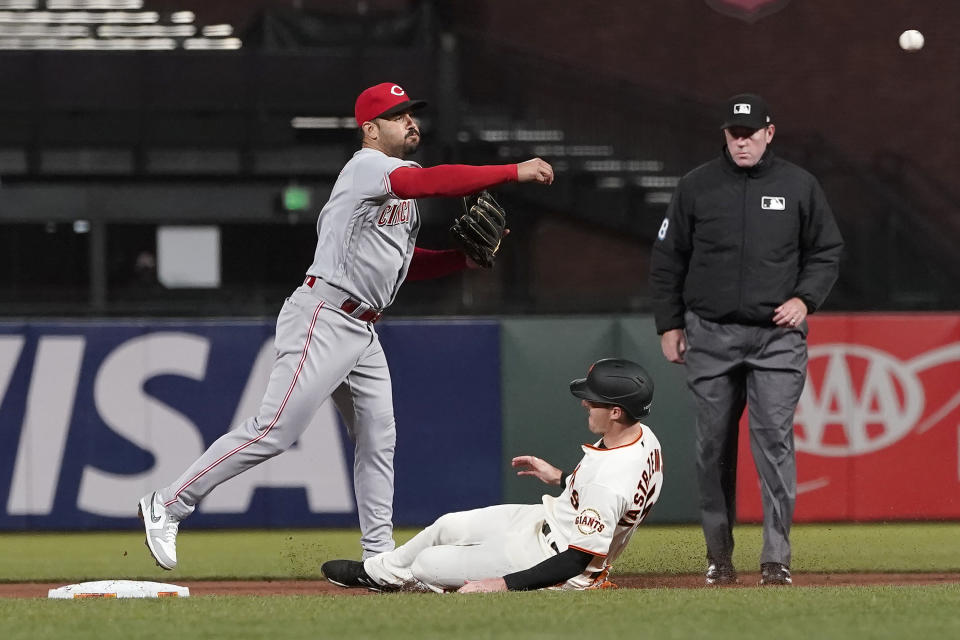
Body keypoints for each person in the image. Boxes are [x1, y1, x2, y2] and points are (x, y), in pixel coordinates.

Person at [137, 82, 555, 570]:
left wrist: (459, 260)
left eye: (412, 115)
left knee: (379, 440)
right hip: (325, 315)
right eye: (399, 117)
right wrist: (511, 171)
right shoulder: (368, 168)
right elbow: (430, 183)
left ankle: (378, 558)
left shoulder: (395, 183)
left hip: (362, 329)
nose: (411, 122)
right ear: (371, 130)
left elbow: (403, 264)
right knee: (275, 429)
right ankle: (168, 503)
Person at [649, 93, 843, 586]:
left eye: (751, 133)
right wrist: (669, 324)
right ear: (725, 135)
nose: (742, 142)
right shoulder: (697, 186)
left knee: (773, 440)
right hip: (709, 335)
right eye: (734, 134)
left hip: (776, 337)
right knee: (712, 447)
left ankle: (776, 558)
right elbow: (668, 259)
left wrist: (806, 299)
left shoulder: (799, 185)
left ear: (769, 133)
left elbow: (826, 249)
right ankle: (719, 557)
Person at [321, 358, 664, 593]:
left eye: (593, 399)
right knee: (446, 526)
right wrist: (560, 477)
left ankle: (426, 584)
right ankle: (378, 573)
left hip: (556, 558)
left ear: (617, 411)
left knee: (427, 565)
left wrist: (502, 584)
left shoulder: (610, 479)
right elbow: (607, 496)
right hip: (551, 519)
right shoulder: (642, 439)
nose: (585, 403)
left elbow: (577, 558)